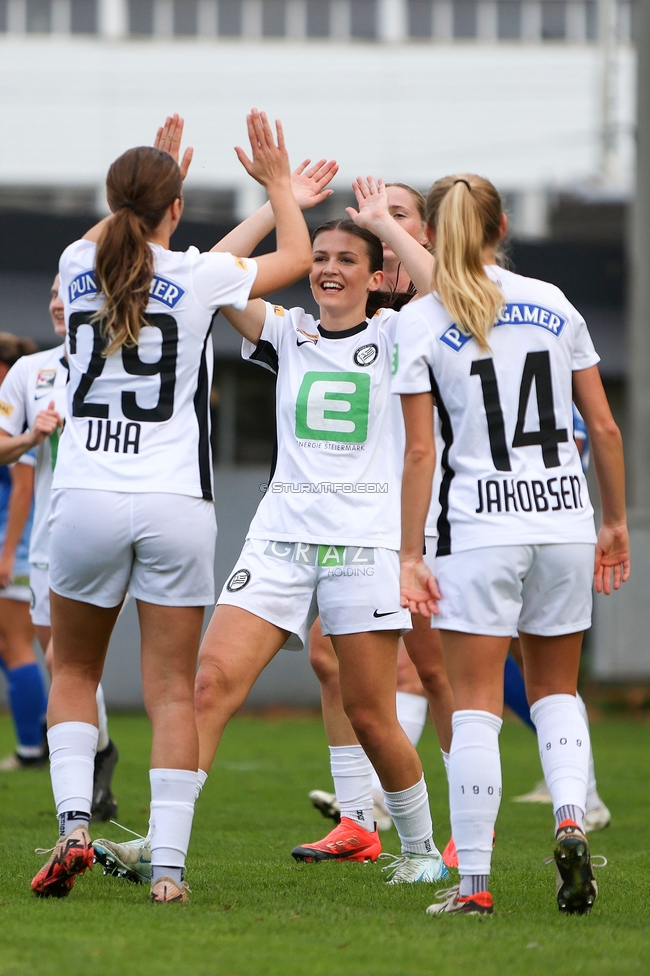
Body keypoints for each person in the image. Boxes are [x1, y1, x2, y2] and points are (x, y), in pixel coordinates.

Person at [31, 109, 312, 903]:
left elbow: (105, 239)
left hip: (85, 494)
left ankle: (76, 828)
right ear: (176, 211)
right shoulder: (200, 274)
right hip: (174, 503)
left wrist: (148, 187)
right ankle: (168, 872)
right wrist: (279, 186)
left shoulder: (76, 261)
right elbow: (293, 254)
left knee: (74, 668)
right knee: (167, 689)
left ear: (113, 202)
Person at [192, 175, 450, 886]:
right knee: (209, 684)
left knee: (371, 712)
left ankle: (421, 850)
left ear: (374, 276)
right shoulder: (287, 330)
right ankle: (161, 843)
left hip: (363, 545)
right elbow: (209, 280)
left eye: (346, 259)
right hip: (278, 540)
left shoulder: (401, 333)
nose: (329, 269)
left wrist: (386, 225)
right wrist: (282, 206)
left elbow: (446, 292)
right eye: (321, 257)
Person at [393, 173, 629, 915]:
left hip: (478, 529)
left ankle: (475, 887)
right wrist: (614, 522)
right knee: (559, 692)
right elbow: (606, 428)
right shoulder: (555, 302)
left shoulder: (422, 319)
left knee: (474, 708)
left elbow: (421, 454)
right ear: (502, 227)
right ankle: (569, 816)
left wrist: (407, 554)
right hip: (564, 518)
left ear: (428, 234)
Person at [304, 183, 454, 843]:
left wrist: (389, 235)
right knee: (325, 651)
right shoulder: (363, 310)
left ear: (424, 233)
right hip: (363, 516)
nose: (377, 227)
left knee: (436, 670)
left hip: (436, 513)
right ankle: (357, 818)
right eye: (373, 217)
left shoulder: (442, 305)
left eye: (398, 217)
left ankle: (469, 830)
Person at [0, 281, 119, 818]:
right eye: (51, 291)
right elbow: (6, 450)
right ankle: (99, 755)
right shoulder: (31, 371)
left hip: (131, 525)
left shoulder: (133, 357)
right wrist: (30, 437)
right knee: (60, 659)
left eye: (67, 292)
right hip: (56, 538)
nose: (55, 301)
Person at [0, 334, 48, 769]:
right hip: (16, 541)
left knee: (15, 642)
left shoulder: (21, 407)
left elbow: (23, 486)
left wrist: (8, 551)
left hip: (22, 542)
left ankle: (34, 747)